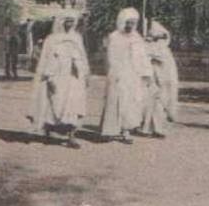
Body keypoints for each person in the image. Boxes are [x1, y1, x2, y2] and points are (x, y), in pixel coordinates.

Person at [28, 12, 90, 148]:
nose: (70, 24)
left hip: (73, 78)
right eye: (67, 21)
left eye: (72, 21)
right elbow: (47, 59)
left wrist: (84, 73)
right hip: (56, 76)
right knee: (53, 104)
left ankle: (71, 136)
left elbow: (82, 57)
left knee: (72, 106)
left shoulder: (77, 38)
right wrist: (49, 76)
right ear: (61, 22)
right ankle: (48, 132)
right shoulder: (52, 39)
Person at [99, 8, 152, 144]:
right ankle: (111, 129)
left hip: (133, 74)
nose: (130, 26)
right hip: (118, 73)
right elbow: (111, 57)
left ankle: (126, 131)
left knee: (130, 103)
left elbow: (142, 57)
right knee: (116, 101)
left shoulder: (137, 37)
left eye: (133, 23)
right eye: (128, 23)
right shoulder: (115, 36)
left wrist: (146, 73)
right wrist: (114, 72)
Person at [141, 21, 179, 138]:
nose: (161, 40)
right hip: (154, 79)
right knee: (154, 102)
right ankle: (153, 128)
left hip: (166, 80)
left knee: (162, 102)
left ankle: (156, 127)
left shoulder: (164, 49)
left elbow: (165, 63)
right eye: (158, 37)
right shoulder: (152, 47)